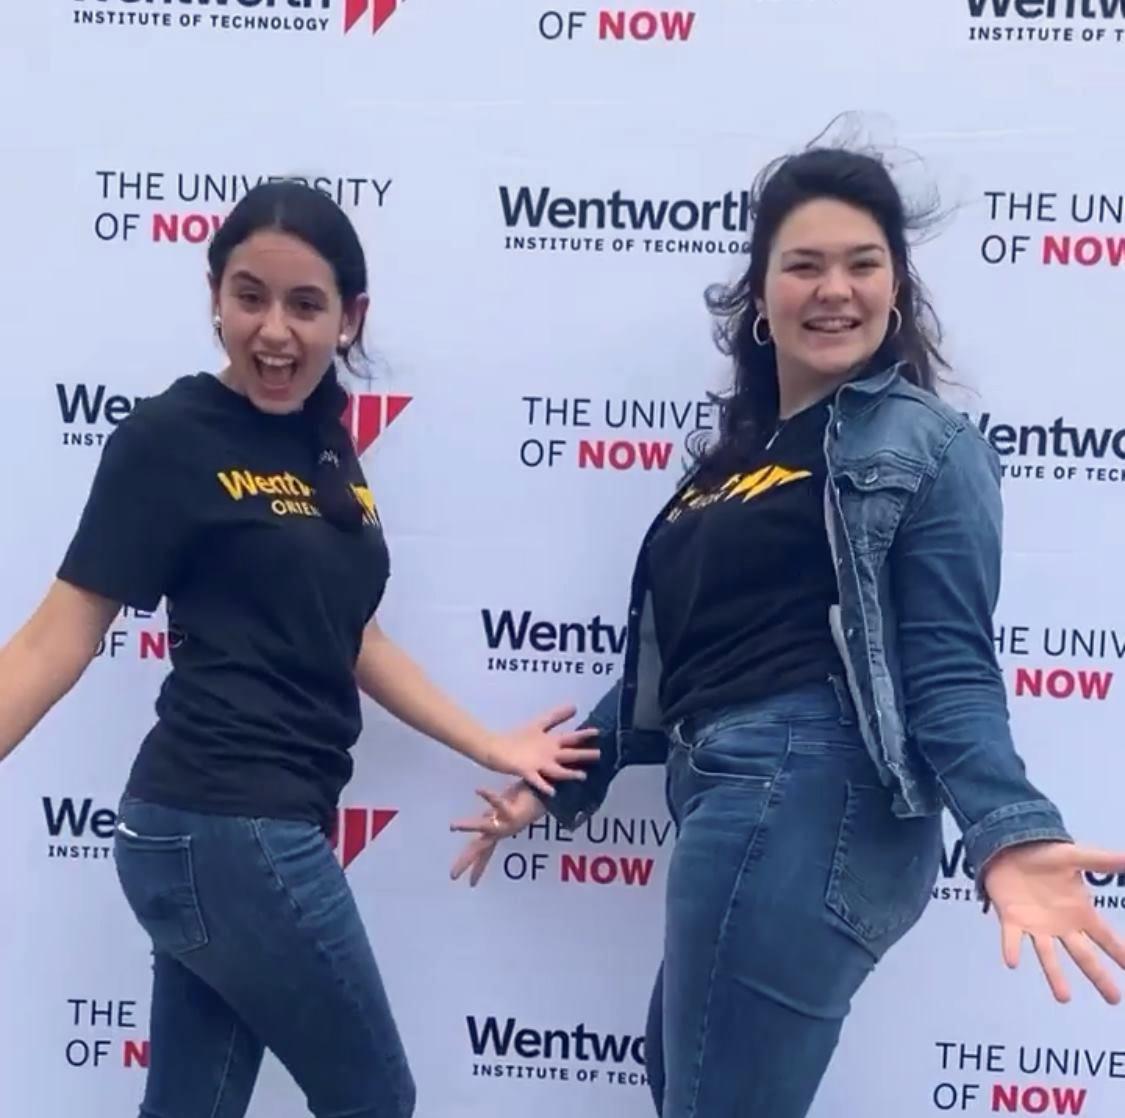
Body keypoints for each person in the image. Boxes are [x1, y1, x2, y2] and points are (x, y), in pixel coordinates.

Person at [450, 140, 1125, 1117]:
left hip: (807, 787)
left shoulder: (928, 444)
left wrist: (1007, 831)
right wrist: (558, 776)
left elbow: (951, 666)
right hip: (727, 792)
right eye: (803, 265)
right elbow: (671, 664)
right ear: (759, 302)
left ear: (896, 289)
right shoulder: (727, 469)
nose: (834, 289)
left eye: (862, 263)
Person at [0, 179, 598, 1118]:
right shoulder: (170, 437)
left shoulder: (324, 442)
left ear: (350, 318)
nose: (274, 332)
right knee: (374, 1099)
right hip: (224, 822)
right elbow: (55, 637)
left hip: (240, 831)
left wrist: (490, 744)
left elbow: (350, 633)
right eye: (250, 297)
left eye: (306, 305)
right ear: (214, 298)